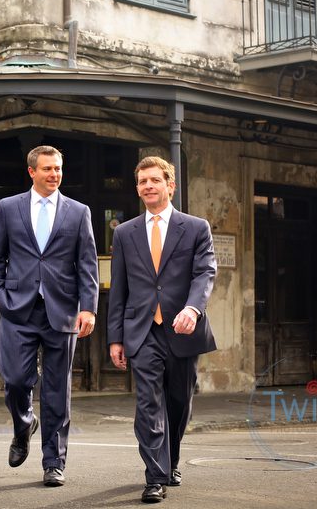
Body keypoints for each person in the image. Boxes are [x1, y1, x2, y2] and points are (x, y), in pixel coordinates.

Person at [0, 145, 98, 487]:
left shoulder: (78, 212)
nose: (54, 174)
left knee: (56, 391)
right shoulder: (8, 208)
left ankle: (53, 461)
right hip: (18, 310)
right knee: (16, 380)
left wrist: (88, 307)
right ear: (31, 171)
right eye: (47, 169)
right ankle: (23, 425)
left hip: (61, 311)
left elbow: (87, 264)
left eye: (58, 169)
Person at [107, 156, 216, 504]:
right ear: (138, 189)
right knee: (148, 403)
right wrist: (115, 338)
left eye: (155, 180)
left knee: (178, 403)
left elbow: (205, 273)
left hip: (182, 329)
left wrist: (193, 308)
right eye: (142, 182)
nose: (148, 186)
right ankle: (155, 476)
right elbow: (119, 289)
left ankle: (171, 460)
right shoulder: (124, 233)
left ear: (170, 185)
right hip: (142, 332)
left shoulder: (197, 227)